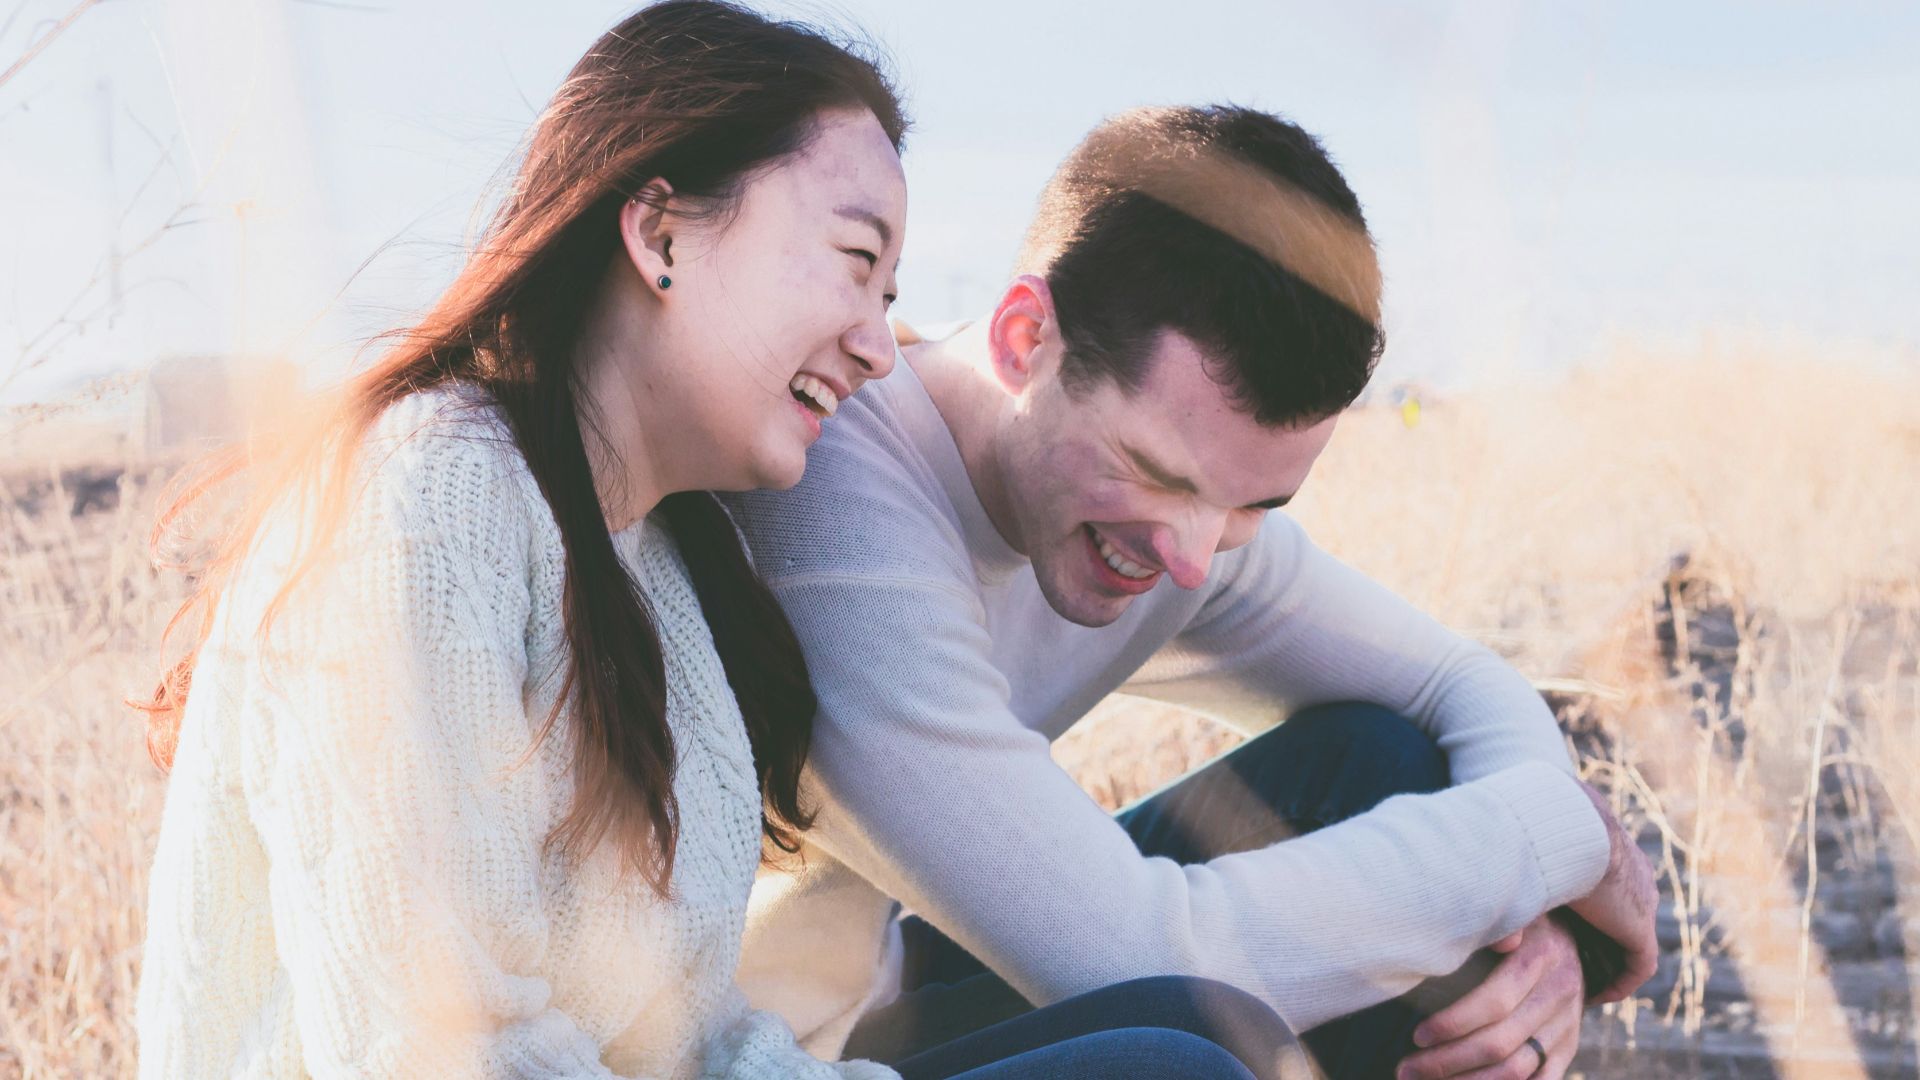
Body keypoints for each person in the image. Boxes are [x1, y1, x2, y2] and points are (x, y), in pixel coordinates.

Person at [133, 4, 1307, 1077]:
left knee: (1215, 1030)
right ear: (660, 233)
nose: (878, 346)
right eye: (857, 264)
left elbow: (686, 1037)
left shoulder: (655, 568)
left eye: (894, 298)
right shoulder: (429, 494)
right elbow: (434, 1050)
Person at [721, 104, 1660, 1080]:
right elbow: (1139, 959)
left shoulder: (1183, 523)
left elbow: (1455, 682)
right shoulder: (835, 505)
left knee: (1383, 758)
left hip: (880, 999)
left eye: (1254, 502)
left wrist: (1531, 917)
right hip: (753, 1055)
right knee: (1190, 1058)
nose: (1192, 555)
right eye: (1158, 474)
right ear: (1023, 337)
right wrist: (1555, 840)